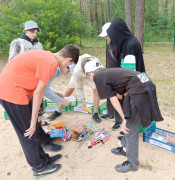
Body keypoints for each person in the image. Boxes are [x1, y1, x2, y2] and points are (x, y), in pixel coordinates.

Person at [0, 44, 79, 178]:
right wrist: (32, 121)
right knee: (28, 132)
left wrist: (34, 121)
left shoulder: (48, 56)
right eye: (68, 67)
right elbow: (38, 94)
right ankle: (38, 167)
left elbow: (38, 84)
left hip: (19, 90)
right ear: (69, 60)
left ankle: (43, 159)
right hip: (12, 93)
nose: (66, 70)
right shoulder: (50, 63)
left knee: (34, 127)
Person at [82, 59, 164, 173]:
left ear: (90, 73)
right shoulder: (107, 72)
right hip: (144, 82)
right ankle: (125, 148)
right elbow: (122, 88)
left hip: (139, 90)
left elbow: (113, 99)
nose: (90, 78)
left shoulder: (98, 77)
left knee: (130, 127)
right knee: (129, 123)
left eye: (88, 76)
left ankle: (133, 163)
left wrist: (123, 119)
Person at [8, 20, 63, 152]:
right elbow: (12, 63)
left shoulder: (39, 44)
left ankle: (43, 137)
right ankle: (42, 143)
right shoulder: (17, 43)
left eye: (36, 30)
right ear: (25, 31)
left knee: (37, 112)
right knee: (29, 116)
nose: (34, 32)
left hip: (37, 83)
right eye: (31, 30)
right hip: (23, 84)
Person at [49, 54, 102, 124]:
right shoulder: (76, 70)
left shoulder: (97, 65)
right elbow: (79, 87)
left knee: (96, 91)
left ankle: (95, 113)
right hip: (80, 73)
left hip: (92, 73)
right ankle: (58, 111)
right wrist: (84, 102)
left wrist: (93, 77)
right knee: (68, 92)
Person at [98, 22, 122, 130]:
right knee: (109, 94)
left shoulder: (120, 45)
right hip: (109, 74)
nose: (105, 37)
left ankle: (119, 120)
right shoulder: (109, 46)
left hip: (117, 75)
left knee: (117, 97)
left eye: (107, 35)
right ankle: (110, 114)